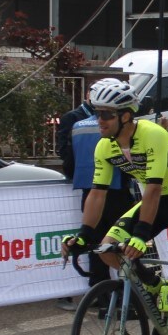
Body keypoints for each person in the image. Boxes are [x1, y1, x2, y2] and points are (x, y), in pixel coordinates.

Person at [59, 78, 168, 335]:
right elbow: (97, 194)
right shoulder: (104, 146)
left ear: (125, 115)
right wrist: (83, 235)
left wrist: (141, 235)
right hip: (155, 201)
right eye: (95, 112)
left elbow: (152, 189)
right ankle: (155, 286)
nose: (98, 120)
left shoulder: (152, 135)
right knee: (106, 248)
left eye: (105, 114)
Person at [57, 101, 136, 311]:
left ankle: (100, 292)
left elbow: (68, 158)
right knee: (123, 244)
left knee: (95, 242)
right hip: (116, 189)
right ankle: (126, 294)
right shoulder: (113, 129)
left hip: (88, 188)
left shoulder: (78, 125)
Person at [57, 88, 94, 180]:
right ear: (88, 94)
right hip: (79, 172)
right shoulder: (71, 117)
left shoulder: (104, 117)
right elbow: (63, 148)